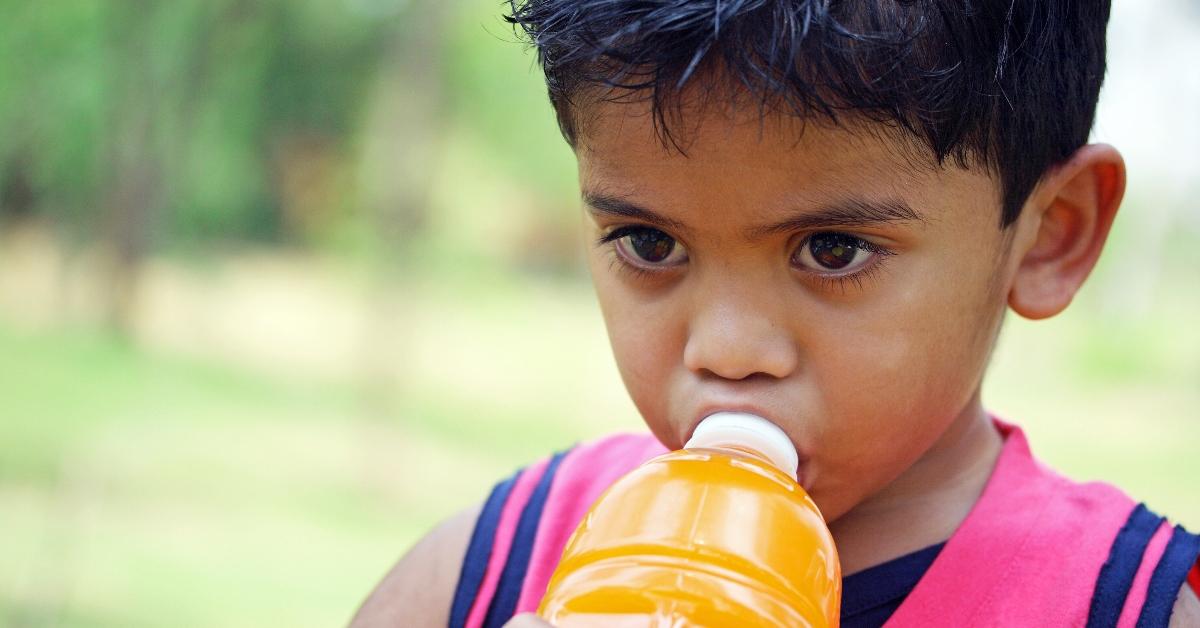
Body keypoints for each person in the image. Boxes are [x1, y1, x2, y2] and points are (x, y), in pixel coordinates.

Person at [351, 1, 1200, 626]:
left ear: (1051, 236)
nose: (725, 352)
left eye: (832, 250)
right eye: (649, 243)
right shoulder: (497, 568)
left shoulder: (1125, 604)